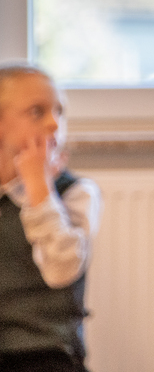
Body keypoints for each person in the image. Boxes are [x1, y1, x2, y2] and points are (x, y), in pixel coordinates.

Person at [0, 63, 102, 372]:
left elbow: (61, 270)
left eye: (59, 111)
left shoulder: (76, 192)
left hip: (46, 354)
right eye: (37, 112)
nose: (54, 123)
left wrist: (39, 189)